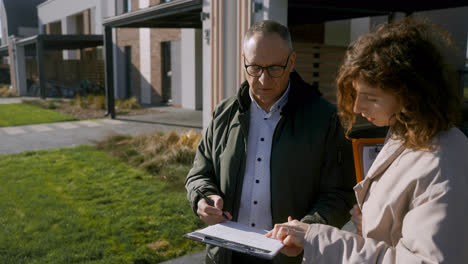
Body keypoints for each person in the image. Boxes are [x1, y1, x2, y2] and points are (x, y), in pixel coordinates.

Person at [266, 18, 468, 263]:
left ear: (410, 94)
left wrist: (317, 238)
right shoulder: (406, 133)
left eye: (370, 97)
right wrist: (371, 222)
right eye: (356, 94)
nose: (358, 106)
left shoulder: (442, 162)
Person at [185, 20, 356, 264]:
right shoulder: (224, 112)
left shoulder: (325, 119)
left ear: (292, 61)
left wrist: (306, 231)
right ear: (243, 59)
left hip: (289, 258)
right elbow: (199, 173)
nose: (264, 80)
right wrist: (203, 197)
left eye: (275, 68)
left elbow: (339, 193)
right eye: (254, 68)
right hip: (226, 256)